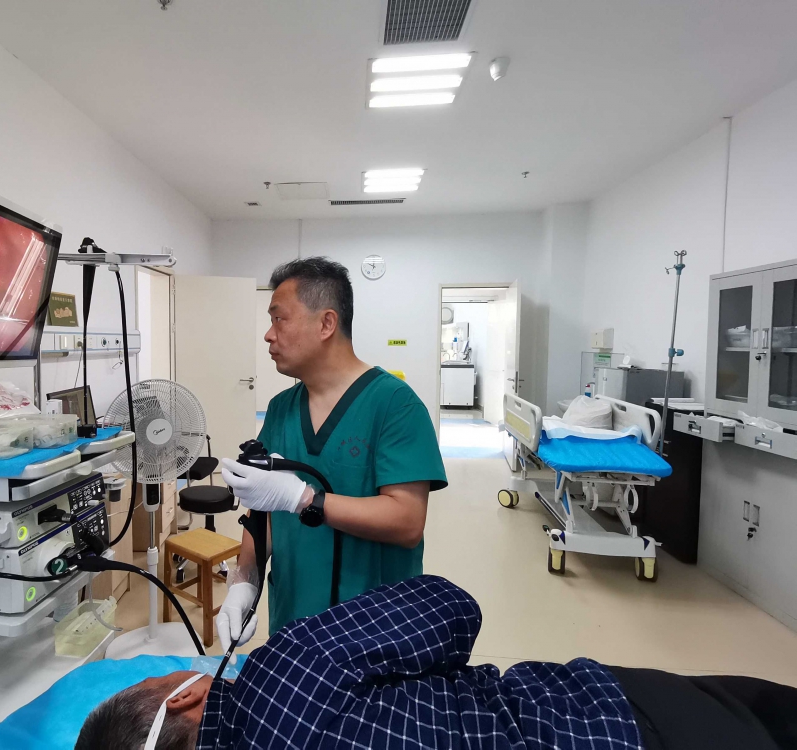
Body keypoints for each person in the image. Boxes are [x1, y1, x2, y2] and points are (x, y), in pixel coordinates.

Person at [75, 575, 797, 749]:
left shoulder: (386, 407)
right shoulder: (284, 671)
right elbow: (451, 606)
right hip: (598, 724)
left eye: (276, 317)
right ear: (182, 699)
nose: (268, 332)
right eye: (162, 674)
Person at [216, 256, 448, 648]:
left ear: (326, 323)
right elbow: (263, 511)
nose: (269, 335)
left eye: (279, 319)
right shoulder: (281, 409)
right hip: (293, 622)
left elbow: (407, 522)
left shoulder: (395, 405)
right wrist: (244, 581)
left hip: (375, 631)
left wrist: (304, 499)